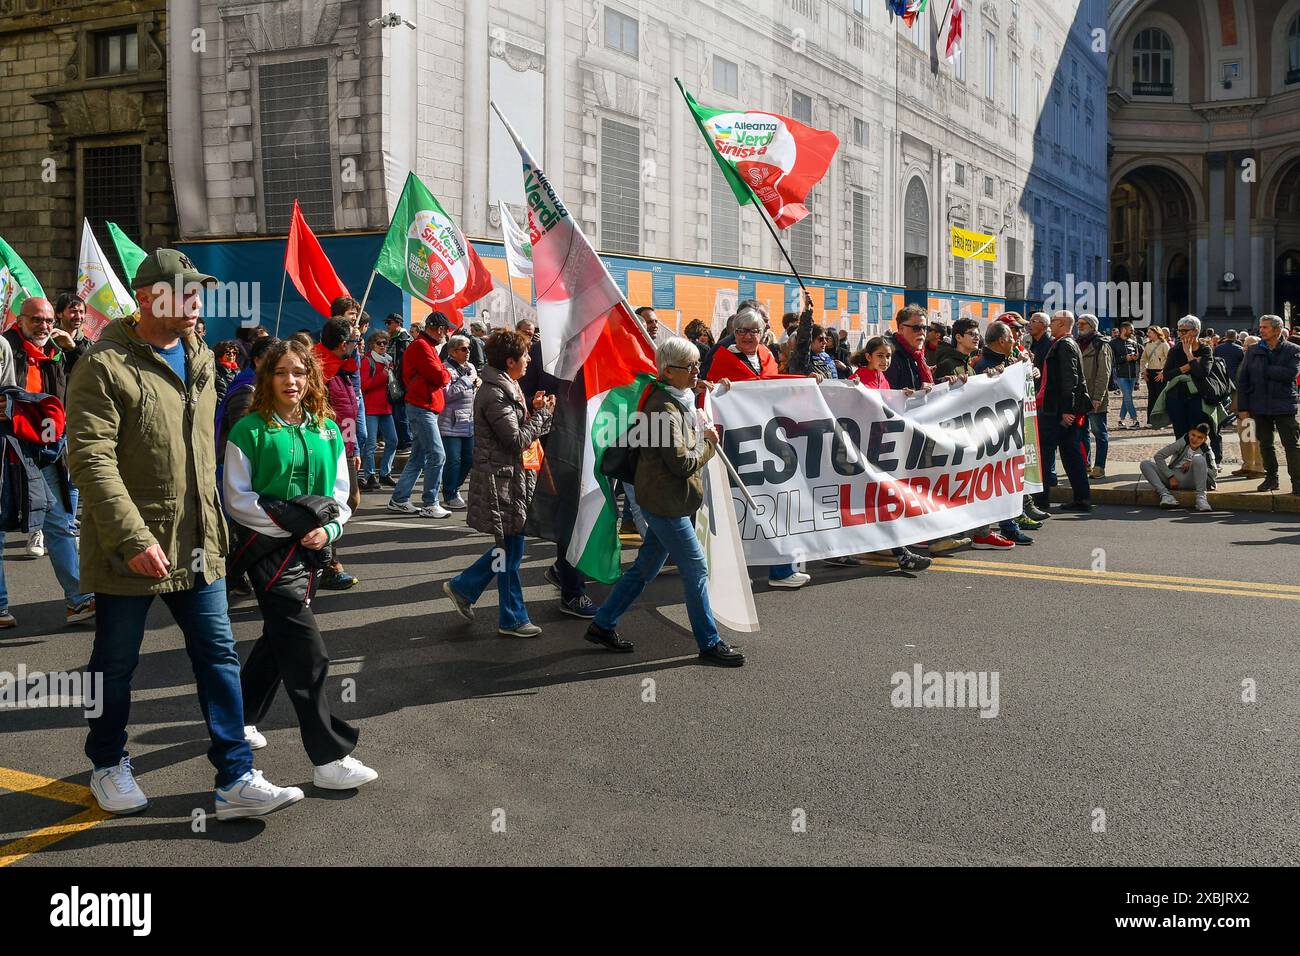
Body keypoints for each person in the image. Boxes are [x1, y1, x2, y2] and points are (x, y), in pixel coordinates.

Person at [66, 248, 302, 819]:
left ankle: (236, 776)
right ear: (147, 298)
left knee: (218, 654)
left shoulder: (197, 353)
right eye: (184, 292)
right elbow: (91, 460)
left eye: (199, 292)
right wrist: (132, 537)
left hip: (199, 539)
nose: (197, 303)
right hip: (134, 546)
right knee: (115, 662)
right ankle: (107, 762)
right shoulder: (104, 365)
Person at [223, 338, 378, 790]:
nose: (291, 380)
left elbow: (339, 497)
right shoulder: (248, 430)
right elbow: (238, 499)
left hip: (312, 551)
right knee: (308, 652)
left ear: (310, 377)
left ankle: (240, 718)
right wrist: (291, 527)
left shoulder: (327, 429)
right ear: (266, 377)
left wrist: (328, 531)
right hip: (267, 552)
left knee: (278, 638)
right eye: (281, 372)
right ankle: (329, 757)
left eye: (299, 372)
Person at [584, 337, 745, 666]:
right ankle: (709, 642)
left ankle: (603, 623)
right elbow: (682, 464)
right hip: (664, 502)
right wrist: (709, 444)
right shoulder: (663, 409)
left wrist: (702, 385)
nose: (697, 371)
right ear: (669, 372)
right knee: (697, 567)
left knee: (645, 568)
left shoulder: (675, 395)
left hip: (664, 499)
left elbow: (690, 393)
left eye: (697, 365)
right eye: (691, 367)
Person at [443, 329, 554, 638]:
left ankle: (463, 587)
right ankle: (512, 618)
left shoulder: (508, 385)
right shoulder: (495, 391)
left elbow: (515, 429)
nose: (530, 359)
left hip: (511, 479)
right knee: (511, 554)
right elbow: (516, 439)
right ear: (510, 361)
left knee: (510, 551)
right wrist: (542, 416)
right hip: (501, 481)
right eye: (526, 355)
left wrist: (534, 407)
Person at [2, 297, 96, 626]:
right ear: (20, 320)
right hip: (6, 448)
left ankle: (79, 600)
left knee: (59, 521)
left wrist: (74, 349)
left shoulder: (56, 349)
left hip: (45, 449)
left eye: (47, 320)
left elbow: (92, 377)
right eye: (36, 320)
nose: (43, 326)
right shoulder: (5, 347)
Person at [704, 308, 812, 588]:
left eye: (753, 331)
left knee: (774, 502)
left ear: (763, 332)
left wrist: (808, 383)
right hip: (737, 442)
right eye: (741, 331)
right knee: (736, 505)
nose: (747, 336)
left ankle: (781, 570)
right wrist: (716, 386)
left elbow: (774, 385)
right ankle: (725, 570)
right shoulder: (722, 357)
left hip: (768, 440)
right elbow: (705, 391)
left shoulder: (767, 355)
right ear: (733, 333)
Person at [846, 336, 933, 572]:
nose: (885, 360)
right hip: (860, 448)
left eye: (888, 356)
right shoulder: (857, 378)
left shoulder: (882, 379)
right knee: (872, 499)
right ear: (868, 357)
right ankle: (900, 553)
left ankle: (855, 548)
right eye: (880, 356)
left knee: (875, 499)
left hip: (879, 447)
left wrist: (901, 396)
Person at [387, 312, 454, 518]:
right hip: (422, 406)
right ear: (438, 328)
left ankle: (399, 499)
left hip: (423, 406)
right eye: (445, 330)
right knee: (437, 455)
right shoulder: (422, 346)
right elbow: (439, 375)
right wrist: (447, 373)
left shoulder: (424, 345)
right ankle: (430, 503)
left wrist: (443, 373)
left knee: (418, 457)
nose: (446, 334)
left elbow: (438, 374)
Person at [1236, 314, 1300, 495]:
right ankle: (1271, 478)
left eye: (1265, 327)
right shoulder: (1253, 350)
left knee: (1291, 445)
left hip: (1284, 405)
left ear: (1277, 330)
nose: (1261, 330)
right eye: (1261, 327)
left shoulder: (1293, 349)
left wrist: (1265, 369)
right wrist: (1242, 408)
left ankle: (1297, 481)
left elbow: (1290, 374)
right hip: (1259, 405)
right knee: (1265, 444)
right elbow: (1244, 380)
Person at [1035, 310, 1092, 513]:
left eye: (1054, 320)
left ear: (1063, 323)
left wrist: (1067, 410)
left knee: (1046, 454)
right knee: (1070, 454)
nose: (1051, 323)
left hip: (1056, 411)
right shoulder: (1066, 343)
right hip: (1058, 409)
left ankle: (1041, 501)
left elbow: (1071, 378)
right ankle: (1081, 497)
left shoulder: (1065, 344)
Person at [1161, 315, 1225, 461]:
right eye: (1179, 331)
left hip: (1198, 398)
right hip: (1176, 397)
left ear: (1195, 331)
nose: (1181, 334)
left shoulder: (1205, 350)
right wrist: (1187, 366)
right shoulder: (1175, 350)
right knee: (1180, 433)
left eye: (1184, 331)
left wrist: (1189, 354)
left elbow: (1202, 373)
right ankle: (1181, 460)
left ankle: (1203, 461)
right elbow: (1167, 375)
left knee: (1197, 432)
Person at [438, 333, 479, 509]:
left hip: (469, 421)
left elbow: (473, 389)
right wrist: (466, 381)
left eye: (469, 348)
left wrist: (477, 383)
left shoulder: (470, 367)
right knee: (453, 459)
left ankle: (455, 488)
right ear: (453, 352)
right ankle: (449, 493)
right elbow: (446, 395)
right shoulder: (445, 369)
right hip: (451, 423)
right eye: (464, 348)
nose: (468, 351)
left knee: (469, 460)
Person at [1140, 422, 1217, 512]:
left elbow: (1214, 474)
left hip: (1193, 481)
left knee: (1198, 459)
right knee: (1145, 464)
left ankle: (1201, 499)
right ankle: (1166, 495)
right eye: (1193, 435)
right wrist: (1170, 476)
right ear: (1189, 433)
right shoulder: (1182, 442)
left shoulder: (1207, 451)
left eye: (1200, 437)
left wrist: (1192, 463)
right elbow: (1159, 456)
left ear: (1205, 439)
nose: (1195, 439)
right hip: (1173, 480)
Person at [359, 329, 399, 490]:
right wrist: (383, 376)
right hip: (370, 408)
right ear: (371, 345)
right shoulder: (367, 361)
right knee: (371, 444)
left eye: (385, 343)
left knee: (393, 441)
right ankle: (369, 476)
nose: (382, 345)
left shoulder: (388, 361)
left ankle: (384, 473)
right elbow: (364, 385)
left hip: (386, 407)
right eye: (379, 343)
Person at [1075, 315, 1113, 479]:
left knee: (1099, 432)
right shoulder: (1077, 343)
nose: (1080, 326)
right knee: (1081, 432)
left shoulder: (1101, 344)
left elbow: (1104, 374)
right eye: (1078, 323)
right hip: (1080, 397)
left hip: (1095, 397)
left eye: (1083, 324)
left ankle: (1099, 466)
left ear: (1092, 325)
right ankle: (1085, 463)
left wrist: (1098, 397)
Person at [383, 313, 413, 452]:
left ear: (397, 323)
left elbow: (402, 363)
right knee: (396, 412)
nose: (387, 326)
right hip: (394, 380)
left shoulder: (403, 339)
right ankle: (402, 440)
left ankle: (406, 441)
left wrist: (399, 381)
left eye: (389, 323)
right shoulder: (395, 338)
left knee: (400, 413)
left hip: (400, 382)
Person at [1110, 321, 1141, 430]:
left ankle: (1121, 420)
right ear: (1123, 330)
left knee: (1126, 398)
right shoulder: (1113, 343)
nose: (1133, 331)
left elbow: (1138, 357)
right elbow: (1111, 360)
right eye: (1131, 329)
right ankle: (1135, 420)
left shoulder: (1133, 342)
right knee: (1128, 397)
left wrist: (1135, 357)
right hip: (1120, 375)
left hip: (1132, 375)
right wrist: (1124, 358)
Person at [1142, 325, 1170, 424]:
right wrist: (1144, 370)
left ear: (1156, 333)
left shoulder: (1164, 345)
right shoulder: (1148, 345)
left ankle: (1161, 421)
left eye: (1150, 332)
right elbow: (1143, 359)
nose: (1148, 334)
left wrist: (1163, 372)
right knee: (1151, 397)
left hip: (1160, 373)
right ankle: (1150, 421)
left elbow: (1169, 360)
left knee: (1160, 398)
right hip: (1150, 372)